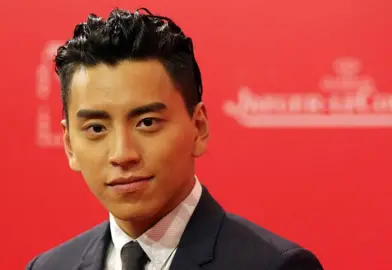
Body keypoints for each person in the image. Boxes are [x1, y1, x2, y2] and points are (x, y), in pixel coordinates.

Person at [26, 7, 324, 270]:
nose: (122, 154)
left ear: (199, 127)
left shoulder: (274, 265)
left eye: (147, 122)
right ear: (69, 145)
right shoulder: (49, 266)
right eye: (96, 129)